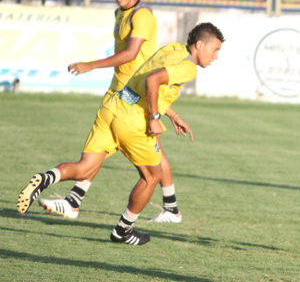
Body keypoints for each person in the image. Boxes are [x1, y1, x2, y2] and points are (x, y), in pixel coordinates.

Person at [17, 23, 225, 245]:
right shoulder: (189, 68)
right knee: (152, 176)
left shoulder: (172, 49)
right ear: (200, 44)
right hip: (134, 123)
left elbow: (147, 83)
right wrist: (154, 118)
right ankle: (123, 231)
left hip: (113, 108)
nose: (215, 57)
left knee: (84, 168)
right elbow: (152, 80)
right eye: (215, 50)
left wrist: (172, 115)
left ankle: (46, 177)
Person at [39, 0, 182, 223]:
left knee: (153, 154)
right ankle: (74, 202)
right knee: (101, 149)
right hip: (120, 93)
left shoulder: (143, 16)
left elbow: (130, 54)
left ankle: (171, 209)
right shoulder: (120, 13)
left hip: (135, 96)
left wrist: (91, 65)